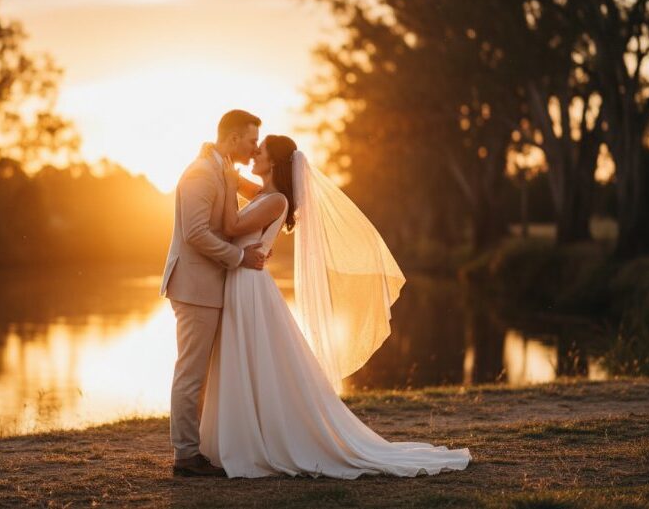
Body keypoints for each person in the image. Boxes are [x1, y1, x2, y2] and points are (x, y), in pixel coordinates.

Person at [198, 134, 472, 478]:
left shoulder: (277, 200)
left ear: (274, 162)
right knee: (245, 358)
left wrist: (225, 178)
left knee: (254, 356)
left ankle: (260, 441)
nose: (255, 154)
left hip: (250, 285)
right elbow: (241, 192)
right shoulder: (265, 195)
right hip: (242, 280)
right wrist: (223, 166)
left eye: (261, 150)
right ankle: (243, 434)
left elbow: (231, 225)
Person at [159, 109, 268, 477]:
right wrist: (240, 256)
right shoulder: (201, 173)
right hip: (194, 287)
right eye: (252, 141)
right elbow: (195, 233)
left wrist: (284, 181)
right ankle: (185, 457)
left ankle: (201, 448)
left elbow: (263, 193)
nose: (255, 150)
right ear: (234, 138)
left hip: (211, 286)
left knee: (204, 373)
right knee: (191, 373)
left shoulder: (222, 168)